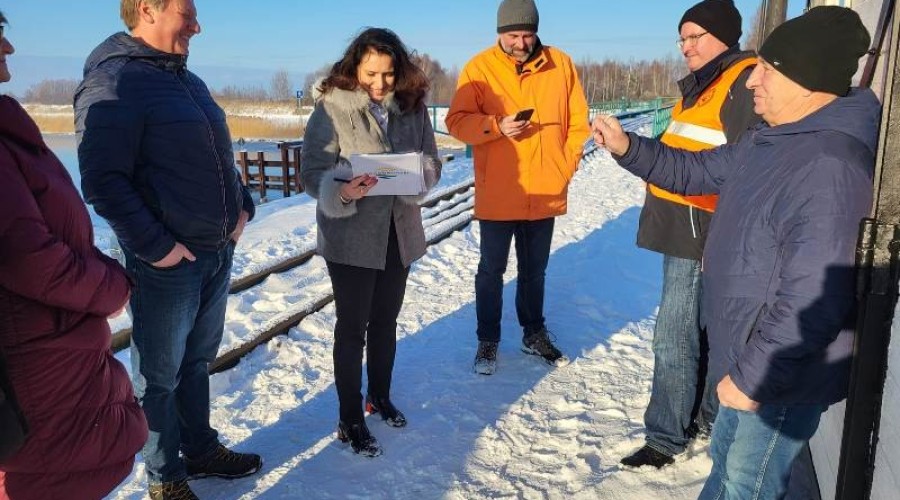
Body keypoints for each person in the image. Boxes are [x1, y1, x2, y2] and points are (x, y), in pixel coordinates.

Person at [591, 6, 875, 498]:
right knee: (726, 471)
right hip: (746, 356)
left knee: (747, 484)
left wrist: (751, 378)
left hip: (777, 376)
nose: (751, 81)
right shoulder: (773, 140)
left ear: (807, 82)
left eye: (768, 69)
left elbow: (815, 295)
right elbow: (695, 172)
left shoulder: (828, 165)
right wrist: (626, 147)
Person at [74, 1, 261, 498]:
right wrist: (158, 249)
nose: (197, 25)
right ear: (146, 9)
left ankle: (199, 450)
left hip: (215, 251)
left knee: (197, 363)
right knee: (158, 378)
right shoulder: (117, 80)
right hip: (168, 265)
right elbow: (102, 180)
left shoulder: (186, 80)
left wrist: (242, 206)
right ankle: (165, 477)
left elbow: (218, 156)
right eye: (187, 13)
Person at [0, 10, 148, 499]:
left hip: (54, 352)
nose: (9, 49)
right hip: (35, 368)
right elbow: (27, 258)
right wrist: (112, 284)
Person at [620, 0, 759, 470]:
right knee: (694, 330)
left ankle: (665, 436)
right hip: (685, 223)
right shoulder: (707, 84)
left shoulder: (740, 81)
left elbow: (742, 167)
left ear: (724, 35)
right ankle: (698, 419)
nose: (686, 47)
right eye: (682, 38)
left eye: (695, 36)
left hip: (703, 228)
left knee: (674, 335)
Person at [301, 27, 442, 458]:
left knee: (386, 322)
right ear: (354, 69)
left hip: (399, 232)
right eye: (370, 74)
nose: (379, 84)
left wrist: (417, 176)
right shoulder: (332, 108)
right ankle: (349, 417)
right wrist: (343, 190)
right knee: (352, 329)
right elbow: (312, 173)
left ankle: (378, 396)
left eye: (387, 74)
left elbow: (433, 161)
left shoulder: (413, 106)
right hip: (351, 237)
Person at [446, 0, 590, 375]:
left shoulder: (562, 65)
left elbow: (579, 123)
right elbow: (457, 121)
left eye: (527, 35)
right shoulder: (479, 68)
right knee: (490, 271)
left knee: (534, 271)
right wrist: (495, 126)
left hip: (545, 189)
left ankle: (534, 334)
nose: (521, 43)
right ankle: (488, 341)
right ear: (499, 33)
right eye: (513, 35)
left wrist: (565, 165)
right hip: (499, 191)